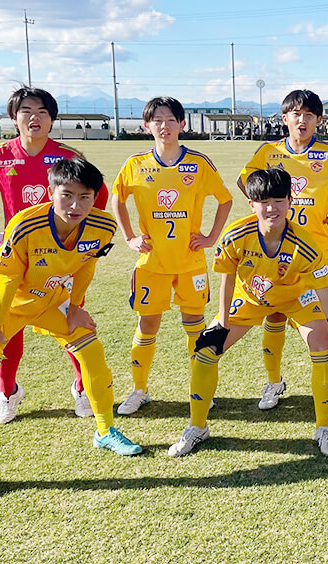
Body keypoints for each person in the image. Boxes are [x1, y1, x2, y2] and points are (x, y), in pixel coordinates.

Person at [0, 158, 142, 504]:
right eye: (66, 195)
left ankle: (105, 430)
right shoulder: (25, 225)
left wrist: (76, 307)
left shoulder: (102, 226)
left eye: (84, 197)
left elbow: (86, 266)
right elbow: (8, 280)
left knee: (92, 350)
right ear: (51, 192)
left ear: (95, 197)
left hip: (47, 298)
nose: (75, 205)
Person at [168, 168, 328, 458]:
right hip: (251, 298)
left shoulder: (306, 244)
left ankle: (324, 428)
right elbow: (227, 282)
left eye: (278, 200)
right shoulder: (235, 235)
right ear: (251, 204)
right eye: (264, 201)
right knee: (205, 351)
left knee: (322, 346)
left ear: (290, 201)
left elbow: (327, 300)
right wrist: (222, 325)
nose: (271, 208)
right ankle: (197, 427)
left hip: (297, 298)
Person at [0, 86, 110, 425]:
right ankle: (8, 393)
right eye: (26, 111)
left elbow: (97, 193)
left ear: (52, 118)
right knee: (8, 330)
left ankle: (82, 389)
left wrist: (81, 239)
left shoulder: (68, 156)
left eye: (42, 112)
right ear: (14, 118)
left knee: (73, 324)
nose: (34, 118)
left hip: (59, 262)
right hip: (16, 259)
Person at [238, 89, 328, 411]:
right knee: (273, 315)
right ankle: (274, 382)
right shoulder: (268, 152)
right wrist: (264, 212)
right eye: (296, 114)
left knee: (326, 318)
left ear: (318, 120)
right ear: (284, 118)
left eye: (309, 115)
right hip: (275, 249)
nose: (302, 120)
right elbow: (245, 181)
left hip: (318, 251)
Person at [111, 96, 234, 415]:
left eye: (170, 120)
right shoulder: (135, 164)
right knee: (147, 324)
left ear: (182, 124)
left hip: (190, 261)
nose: (164, 126)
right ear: (146, 126)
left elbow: (225, 200)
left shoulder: (198, 163)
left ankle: (200, 387)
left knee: (194, 324)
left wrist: (211, 237)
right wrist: (129, 237)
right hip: (152, 263)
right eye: (157, 120)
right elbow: (117, 199)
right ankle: (139, 390)